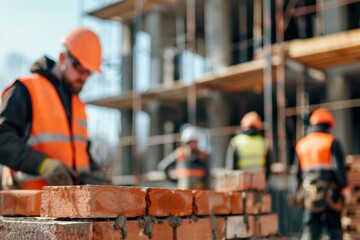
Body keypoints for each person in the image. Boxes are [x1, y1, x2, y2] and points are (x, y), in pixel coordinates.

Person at [0, 27, 110, 190]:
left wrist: (93, 174)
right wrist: (43, 165)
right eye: (79, 68)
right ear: (62, 58)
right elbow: (3, 141)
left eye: (88, 73)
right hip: (29, 207)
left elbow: (80, 154)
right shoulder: (26, 89)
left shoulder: (78, 104)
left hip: (69, 209)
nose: (83, 77)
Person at [294, 108, 351, 240]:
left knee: (311, 228)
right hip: (330, 193)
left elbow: (296, 172)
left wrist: (297, 192)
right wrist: (345, 188)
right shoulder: (331, 141)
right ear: (329, 125)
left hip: (309, 194)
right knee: (334, 229)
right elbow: (338, 168)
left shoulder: (302, 144)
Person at [157, 125, 210, 190]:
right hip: (183, 191)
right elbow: (163, 166)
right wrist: (174, 181)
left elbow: (207, 176)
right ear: (186, 143)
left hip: (199, 192)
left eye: (195, 142)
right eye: (191, 142)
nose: (193, 145)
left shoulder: (203, 156)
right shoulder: (180, 154)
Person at [225, 111, 271, 178]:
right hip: (259, 182)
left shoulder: (236, 142)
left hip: (241, 182)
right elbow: (268, 168)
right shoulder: (264, 143)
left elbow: (231, 168)